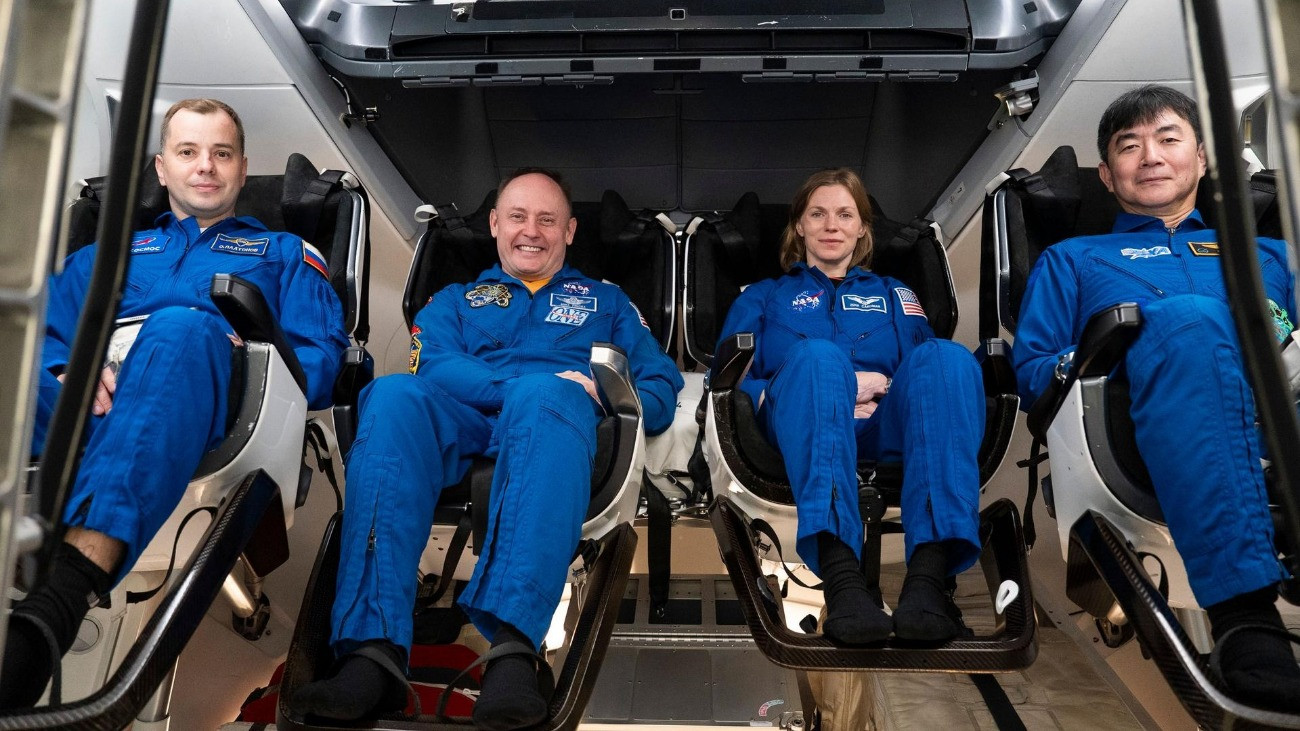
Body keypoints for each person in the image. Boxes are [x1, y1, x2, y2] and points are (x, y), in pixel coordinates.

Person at [290, 169, 683, 728]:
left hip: (556, 424)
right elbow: (433, 364)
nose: (532, 231)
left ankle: (514, 655)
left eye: (547, 220)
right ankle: (370, 655)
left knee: (546, 396)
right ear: (496, 224)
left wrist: (602, 392)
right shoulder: (454, 300)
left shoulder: (609, 303)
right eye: (518, 217)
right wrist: (513, 387)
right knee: (393, 395)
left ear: (570, 231)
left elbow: (661, 386)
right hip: (465, 418)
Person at [0, 98, 350, 708]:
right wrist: (64, 370)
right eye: (188, 152)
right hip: (87, 409)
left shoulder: (285, 254)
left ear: (242, 169)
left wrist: (234, 349)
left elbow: (317, 362)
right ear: (162, 168)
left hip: (213, 413)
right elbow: (35, 332)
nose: (205, 166)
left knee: (182, 327)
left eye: (221, 153)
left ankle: (61, 599)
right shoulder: (103, 255)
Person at [1013, 84, 1300, 711]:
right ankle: (1247, 622)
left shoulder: (1273, 255)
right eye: (1129, 146)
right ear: (1106, 175)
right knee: (1188, 320)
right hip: (1144, 428)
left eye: (1169, 139)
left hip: (1281, 406)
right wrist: (1120, 345)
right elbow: (1034, 373)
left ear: (1201, 159)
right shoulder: (1072, 259)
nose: (1150, 156)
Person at [715, 168, 985, 646]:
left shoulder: (895, 294)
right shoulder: (763, 296)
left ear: (862, 228)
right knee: (819, 359)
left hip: (881, 424)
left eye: (845, 215)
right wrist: (831, 389)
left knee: (948, 358)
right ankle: (843, 584)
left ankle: (927, 582)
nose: (831, 225)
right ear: (799, 226)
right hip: (796, 423)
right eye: (817, 214)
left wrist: (880, 389)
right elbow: (727, 382)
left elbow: (925, 374)